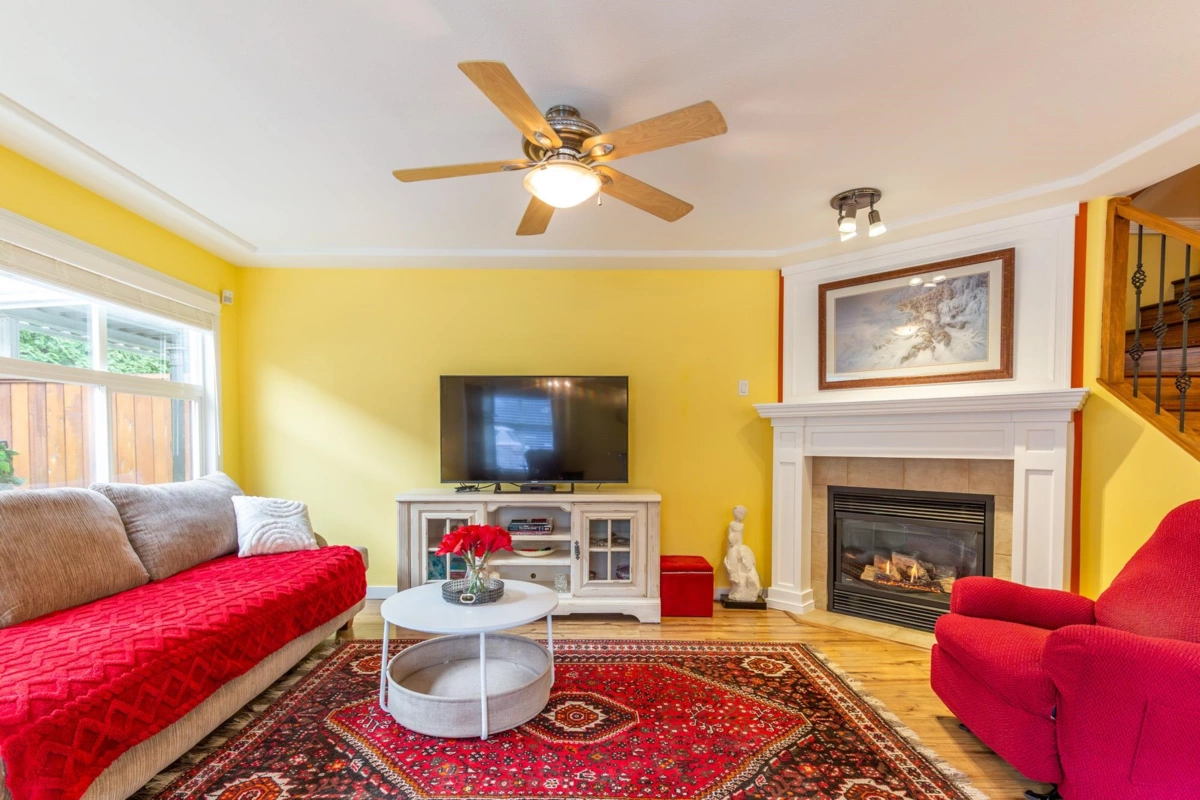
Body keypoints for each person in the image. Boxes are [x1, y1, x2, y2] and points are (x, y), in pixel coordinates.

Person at [724, 505, 762, 602]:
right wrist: (731, 548)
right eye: (743, 514)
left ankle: (745, 589)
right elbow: (730, 537)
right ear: (738, 514)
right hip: (732, 546)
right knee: (734, 566)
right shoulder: (731, 524)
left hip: (739, 546)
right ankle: (736, 583)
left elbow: (741, 537)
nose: (743, 516)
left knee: (744, 562)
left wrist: (740, 549)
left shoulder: (742, 526)